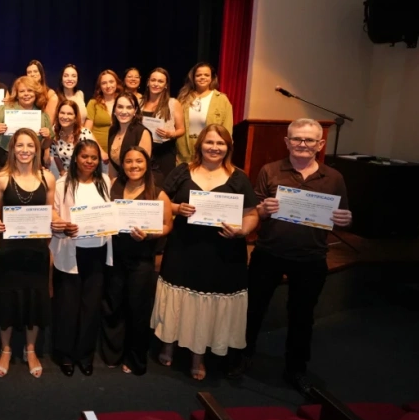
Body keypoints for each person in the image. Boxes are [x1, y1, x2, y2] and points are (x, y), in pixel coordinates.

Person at [227, 119, 352, 395]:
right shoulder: (270, 170)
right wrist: (263, 209)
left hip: (311, 258)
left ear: (320, 144)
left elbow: (342, 218)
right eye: (297, 139)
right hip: (268, 253)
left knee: (302, 316)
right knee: (253, 309)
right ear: (287, 142)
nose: (302, 145)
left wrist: (346, 219)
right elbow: (254, 211)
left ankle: (296, 369)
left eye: (309, 140)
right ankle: (243, 356)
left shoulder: (334, 178)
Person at [150, 125, 259, 380]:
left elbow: (252, 214)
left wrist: (242, 231)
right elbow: (161, 198)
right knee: (179, 297)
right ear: (200, 144)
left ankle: (198, 356)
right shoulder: (183, 171)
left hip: (222, 253)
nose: (214, 147)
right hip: (183, 249)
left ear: (228, 147)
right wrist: (177, 208)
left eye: (220, 143)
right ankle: (169, 343)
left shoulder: (238, 177)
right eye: (209, 142)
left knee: (206, 302)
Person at [0, 128, 57, 378]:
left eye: (30, 145)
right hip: (10, 250)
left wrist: (58, 222)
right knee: (7, 299)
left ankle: (31, 350)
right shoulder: (2, 178)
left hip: (37, 250)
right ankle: (5, 350)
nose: (25, 150)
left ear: (37, 149)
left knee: (35, 299)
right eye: (20, 145)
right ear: (12, 148)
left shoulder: (47, 178)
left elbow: (51, 212)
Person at [101, 147, 173, 375]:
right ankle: (113, 353)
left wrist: (150, 234)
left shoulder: (158, 193)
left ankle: (135, 358)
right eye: (129, 161)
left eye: (139, 161)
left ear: (147, 163)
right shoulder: (113, 186)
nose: (134, 165)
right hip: (114, 256)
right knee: (113, 305)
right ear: (122, 164)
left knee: (137, 309)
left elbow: (167, 224)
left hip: (142, 260)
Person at [49, 138, 111, 376]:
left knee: (91, 306)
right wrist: (63, 225)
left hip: (97, 250)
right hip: (70, 250)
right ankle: (64, 354)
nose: (89, 161)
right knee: (68, 306)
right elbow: (53, 212)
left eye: (94, 158)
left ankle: (85, 355)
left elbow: (110, 213)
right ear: (76, 157)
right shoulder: (63, 183)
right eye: (85, 156)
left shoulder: (105, 181)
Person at [0, 75, 54, 167]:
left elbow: (45, 145)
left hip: (32, 160)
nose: (26, 94)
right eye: (22, 91)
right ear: (17, 94)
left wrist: (48, 137)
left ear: (36, 93)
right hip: (5, 157)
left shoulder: (42, 116)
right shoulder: (4, 109)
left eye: (30, 90)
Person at [175, 62, 234, 164]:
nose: (202, 77)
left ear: (212, 78)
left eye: (206, 75)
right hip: (185, 152)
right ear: (193, 78)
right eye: (198, 75)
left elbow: (227, 130)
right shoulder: (183, 98)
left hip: (211, 149)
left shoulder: (222, 99)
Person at [139, 68, 184, 183]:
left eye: (160, 81)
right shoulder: (139, 102)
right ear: (148, 82)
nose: (156, 84)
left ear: (165, 85)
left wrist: (171, 134)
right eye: (153, 80)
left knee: (163, 185)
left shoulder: (173, 103)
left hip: (164, 151)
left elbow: (181, 129)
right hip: (142, 150)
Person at [107, 92, 153, 179]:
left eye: (129, 107)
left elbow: (141, 169)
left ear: (135, 111)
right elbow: (112, 166)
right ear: (114, 110)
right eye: (120, 107)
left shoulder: (142, 132)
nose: (124, 111)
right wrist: (113, 184)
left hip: (140, 183)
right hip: (120, 181)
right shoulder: (112, 130)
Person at [48, 99, 93, 179]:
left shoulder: (85, 134)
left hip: (83, 176)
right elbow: (55, 155)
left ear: (75, 117)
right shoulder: (54, 131)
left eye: (69, 114)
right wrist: (62, 173)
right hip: (64, 176)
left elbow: (90, 160)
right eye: (62, 113)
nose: (65, 117)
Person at [84, 70, 121, 162]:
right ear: (100, 87)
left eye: (111, 82)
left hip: (119, 153)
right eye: (104, 83)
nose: (108, 86)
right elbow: (86, 130)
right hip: (97, 154)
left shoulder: (123, 102)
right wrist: (101, 152)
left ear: (117, 83)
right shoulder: (93, 103)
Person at [26, 59, 60, 125]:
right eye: (29, 72)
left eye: (35, 71)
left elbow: (48, 122)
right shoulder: (23, 93)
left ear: (41, 74)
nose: (32, 74)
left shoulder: (50, 94)